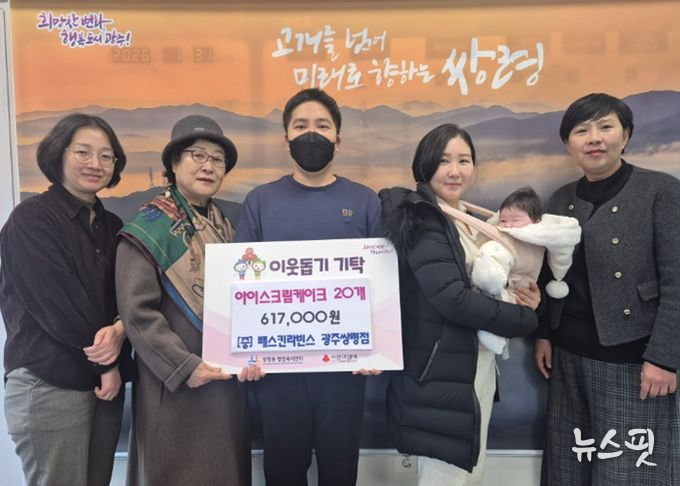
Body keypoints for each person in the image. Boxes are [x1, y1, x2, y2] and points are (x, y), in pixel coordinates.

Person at [234, 88, 382, 486]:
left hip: (345, 370)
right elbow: (241, 284)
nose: (311, 135)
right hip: (278, 372)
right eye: (300, 126)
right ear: (286, 138)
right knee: (283, 472)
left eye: (322, 126)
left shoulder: (365, 201)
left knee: (340, 472)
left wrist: (379, 347)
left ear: (338, 138)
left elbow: (382, 284)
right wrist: (246, 353)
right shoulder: (260, 201)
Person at [379, 123, 539, 485]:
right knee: (445, 477)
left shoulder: (469, 218)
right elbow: (452, 300)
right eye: (443, 160)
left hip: (475, 365)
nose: (454, 171)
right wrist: (525, 319)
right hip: (441, 373)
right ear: (424, 165)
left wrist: (528, 296)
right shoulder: (422, 217)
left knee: (470, 474)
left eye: (464, 160)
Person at [534, 93, 680, 485]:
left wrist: (665, 358)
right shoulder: (561, 199)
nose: (594, 138)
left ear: (626, 135)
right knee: (570, 469)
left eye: (605, 127)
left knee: (628, 472)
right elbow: (548, 276)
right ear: (568, 144)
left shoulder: (661, 191)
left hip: (634, 361)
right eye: (582, 130)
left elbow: (677, 281)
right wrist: (544, 333)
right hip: (567, 358)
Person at [116, 115, 263, 486]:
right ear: (174, 162)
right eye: (198, 155)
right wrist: (182, 367)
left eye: (217, 159)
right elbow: (137, 314)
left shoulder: (225, 224)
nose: (208, 166)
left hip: (224, 385)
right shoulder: (148, 228)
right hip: (174, 388)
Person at [0, 113, 135, 486]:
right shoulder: (30, 220)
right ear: (58, 154)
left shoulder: (112, 226)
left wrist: (121, 329)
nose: (96, 164)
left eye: (106, 156)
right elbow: (59, 306)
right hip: (50, 383)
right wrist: (107, 365)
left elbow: (126, 295)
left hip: (104, 388)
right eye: (83, 152)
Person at [468, 187, 581, 356]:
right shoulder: (500, 238)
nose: (508, 225)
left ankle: (495, 334)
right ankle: (489, 329)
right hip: (496, 286)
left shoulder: (541, 245)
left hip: (523, 296)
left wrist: (539, 308)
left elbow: (542, 286)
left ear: (535, 222)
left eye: (515, 220)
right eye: (503, 220)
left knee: (508, 307)